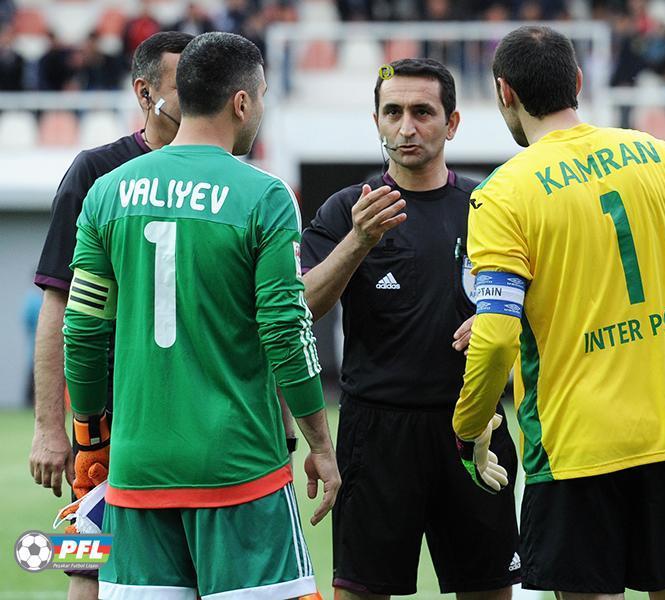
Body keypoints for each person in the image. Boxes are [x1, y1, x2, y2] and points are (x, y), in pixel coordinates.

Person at [452, 25, 665, 600]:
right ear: (578, 81)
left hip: (573, 448)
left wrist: (470, 428)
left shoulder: (501, 193)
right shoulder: (663, 157)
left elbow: (496, 338)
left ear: (504, 91)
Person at [62, 31, 339, 599]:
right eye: (262, 96)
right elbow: (286, 329)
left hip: (137, 472)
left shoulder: (108, 193)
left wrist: (90, 440)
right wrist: (319, 441)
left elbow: (83, 329)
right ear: (242, 102)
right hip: (239, 470)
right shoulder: (265, 196)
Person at [300, 57, 521, 599]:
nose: (406, 127)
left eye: (422, 112)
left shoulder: (489, 207)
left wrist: (497, 316)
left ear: (452, 123)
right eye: (392, 112)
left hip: (475, 426)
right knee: (361, 591)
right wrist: (358, 241)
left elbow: (541, 303)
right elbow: (301, 308)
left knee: (490, 589)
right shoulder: (348, 209)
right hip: (375, 432)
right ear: (376, 121)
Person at [30, 30, 193, 600]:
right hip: (107, 416)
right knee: (88, 565)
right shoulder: (96, 171)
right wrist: (49, 427)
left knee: (198, 570)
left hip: (200, 411)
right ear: (145, 93)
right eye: (184, 83)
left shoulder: (225, 175)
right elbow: (59, 303)